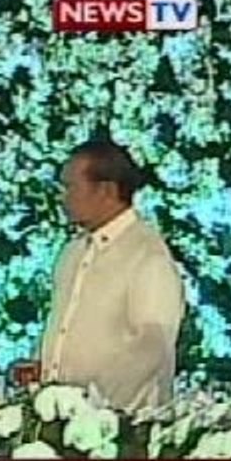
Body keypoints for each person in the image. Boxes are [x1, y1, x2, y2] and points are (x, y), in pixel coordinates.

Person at [40, 139, 185, 412]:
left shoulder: (147, 256)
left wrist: (98, 407)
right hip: (60, 422)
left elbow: (152, 347)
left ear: (106, 190)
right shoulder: (73, 252)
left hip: (119, 431)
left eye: (70, 187)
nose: (62, 197)